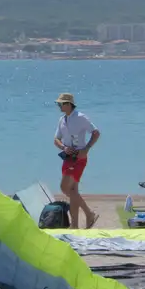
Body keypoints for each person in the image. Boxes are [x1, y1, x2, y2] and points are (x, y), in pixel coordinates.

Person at [54, 92, 101, 229]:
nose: (59, 106)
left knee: (64, 187)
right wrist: (63, 146)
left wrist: (86, 149)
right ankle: (75, 225)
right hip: (67, 157)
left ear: (69, 104)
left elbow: (96, 133)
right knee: (73, 190)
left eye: (61, 104)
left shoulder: (81, 117)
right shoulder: (62, 120)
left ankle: (89, 213)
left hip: (79, 157)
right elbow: (56, 139)